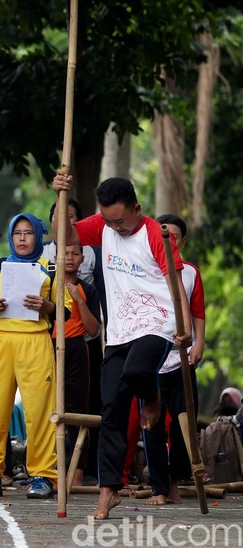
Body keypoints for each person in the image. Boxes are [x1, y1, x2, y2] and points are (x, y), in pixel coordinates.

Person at [52, 173, 192, 519]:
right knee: (111, 405)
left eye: (122, 221)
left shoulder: (155, 235)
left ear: (137, 209)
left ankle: (153, 397)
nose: (116, 228)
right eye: (109, 221)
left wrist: (185, 326)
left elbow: (175, 283)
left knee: (138, 371)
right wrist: (60, 195)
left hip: (158, 323)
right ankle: (109, 489)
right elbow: (63, 235)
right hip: (119, 331)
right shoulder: (102, 226)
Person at [0, 213, 72, 500]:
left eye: (28, 233)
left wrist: (46, 305)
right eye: (17, 233)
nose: (23, 238)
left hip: (35, 340)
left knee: (40, 411)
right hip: (0, 340)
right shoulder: (0, 265)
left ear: (38, 235)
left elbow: (64, 311)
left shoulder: (51, 266)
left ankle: (43, 475)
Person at [142, 214, 205, 505]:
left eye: (175, 236)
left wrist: (198, 342)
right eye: (164, 236)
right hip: (152, 360)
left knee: (184, 422)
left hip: (181, 359)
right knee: (152, 424)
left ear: (183, 240)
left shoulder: (190, 272)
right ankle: (158, 488)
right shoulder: (144, 267)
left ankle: (175, 480)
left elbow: (197, 310)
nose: (170, 241)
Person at [55, 244, 100, 486]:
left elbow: (93, 329)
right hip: (47, 347)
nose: (70, 258)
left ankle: (77, 475)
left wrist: (79, 301)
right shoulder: (48, 284)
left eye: (75, 253)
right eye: (65, 253)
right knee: (44, 409)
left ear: (82, 259)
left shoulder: (88, 290)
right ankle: (46, 473)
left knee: (76, 411)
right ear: (56, 257)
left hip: (76, 350)